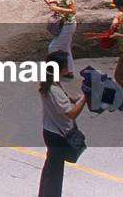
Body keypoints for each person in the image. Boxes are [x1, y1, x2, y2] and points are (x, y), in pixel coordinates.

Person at [38, 50, 88, 197]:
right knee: (54, 171)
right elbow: (71, 114)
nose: (70, 66)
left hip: (51, 131)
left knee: (52, 168)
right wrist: (85, 98)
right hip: (57, 135)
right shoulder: (54, 89)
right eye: (67, 64)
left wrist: (72, 99)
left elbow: (60, 102)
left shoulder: (50, 82)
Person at [41, 0, 77, 78]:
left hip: (68, 25)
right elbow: (65, 5)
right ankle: (69, 71)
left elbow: (73, 10)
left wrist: (56, 8)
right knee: (65, 48)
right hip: (66, 24)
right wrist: (56, 2)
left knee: (53, 47)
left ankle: (56, 70)